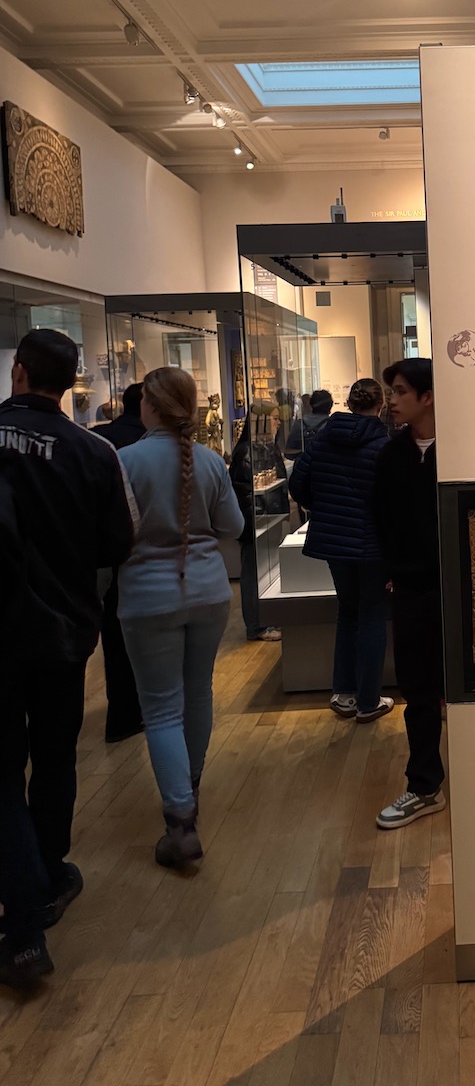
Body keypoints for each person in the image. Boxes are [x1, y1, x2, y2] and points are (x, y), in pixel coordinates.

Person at [0, 330, 135, 988]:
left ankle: (21, 889)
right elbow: (117, 543)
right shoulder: (92, 449)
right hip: (60, 631)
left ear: (18, 373)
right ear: (69, 382)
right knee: (55, 756)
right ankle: (49, 873)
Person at [117, 367, 244, 868]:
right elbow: (233, 526)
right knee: (198, 694)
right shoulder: (209, 461)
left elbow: (111, 537)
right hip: (209, 591)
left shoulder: (125, 460)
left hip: (149, 597)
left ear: (149, 405)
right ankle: (190, 788)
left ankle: (181, 820)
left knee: (161, 709)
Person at [290, 378, 392, 722]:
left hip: (335, 540)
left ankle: (344, 694)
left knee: (347, 612)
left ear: (348, 404)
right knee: (372, 616)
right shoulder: (383, 446)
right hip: (373, 543)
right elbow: (391, 502)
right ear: (381, 406)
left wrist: (324, 509)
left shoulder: (323, 439)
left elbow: (297, 484)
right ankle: (368, 701)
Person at [372, 358, 446, 829]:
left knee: (469, 687)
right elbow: (382, 519)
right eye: (391, 392)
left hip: (459, 586)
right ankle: (424, 785)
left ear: (428, 396)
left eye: (401, 391)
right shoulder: (391, 455)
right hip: (412, 587)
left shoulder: (461, 451)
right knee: (417, 689)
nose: (392, 401)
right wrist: (392, 571)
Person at [92, 382, 146, 742]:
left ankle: (122, 714)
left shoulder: (98, 440)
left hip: (105, 555)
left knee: (114, 638)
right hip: (140, 556)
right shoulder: (143, 444)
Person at [228, 414, 283, 642]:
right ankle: (256, 625)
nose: (278, 423)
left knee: (264, 572)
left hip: (265, 518)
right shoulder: (247, 452)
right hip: (255, 522)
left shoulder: (265, 447)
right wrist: (257, 519)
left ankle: (265, 620)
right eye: (274, 418)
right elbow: (245, 493)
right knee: (252, 574)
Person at [284, 389, 333, 459]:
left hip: (304, 464)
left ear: (311, 404)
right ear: (330, 405)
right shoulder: (332, 425)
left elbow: (289, 453)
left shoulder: (299, 424)